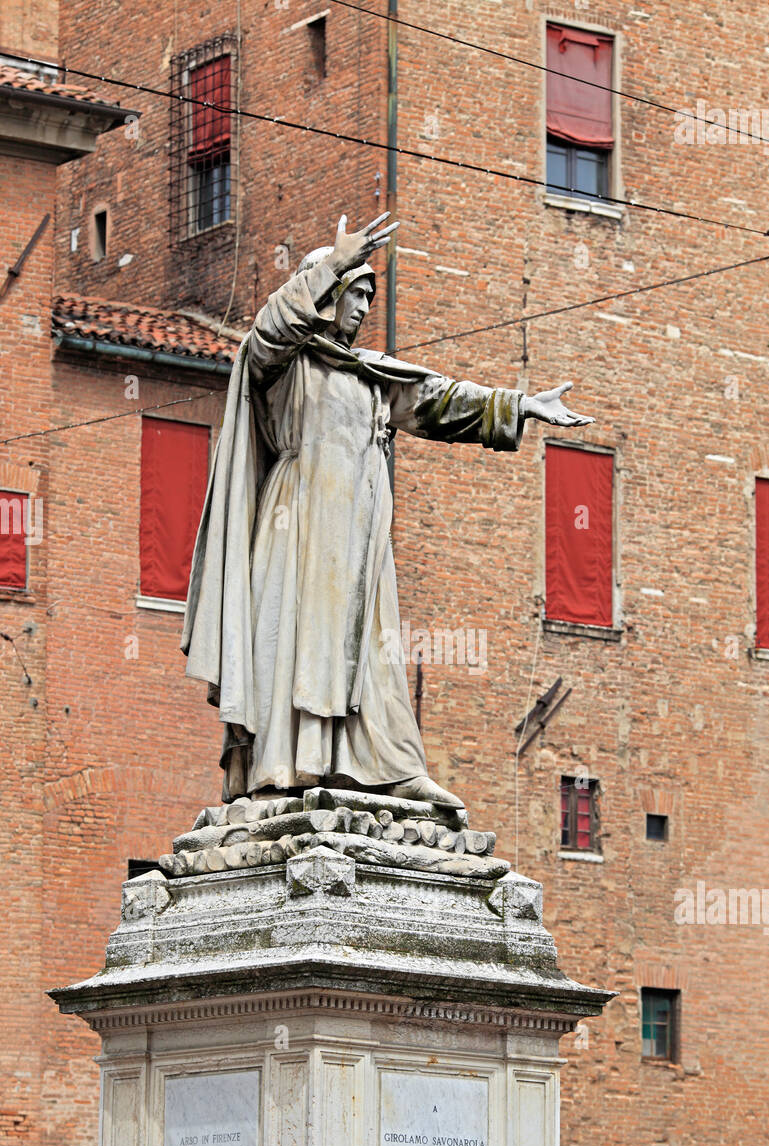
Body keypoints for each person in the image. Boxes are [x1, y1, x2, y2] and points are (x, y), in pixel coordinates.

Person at [182, 214, 593, 806]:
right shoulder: (281, 366)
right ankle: (287, 767)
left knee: (373, 651)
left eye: (368, 297)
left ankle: (392, 765)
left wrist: (523, 405)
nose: (362, 308)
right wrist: (331, 263)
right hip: (297, 527)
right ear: (323, 296)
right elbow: (270, 331)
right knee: (296, 641)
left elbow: (439, 401)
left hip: (361, 539)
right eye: (354, 294)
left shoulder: (369, 376)